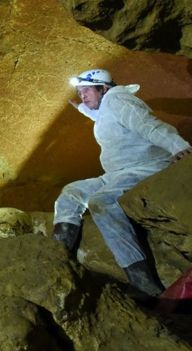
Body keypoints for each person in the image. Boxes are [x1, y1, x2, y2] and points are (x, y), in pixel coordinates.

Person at [53, 69, 192, 298]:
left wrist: (179, 147)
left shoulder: (118, 99)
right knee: (72, 192)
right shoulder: (107, 106)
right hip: (119, 173)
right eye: (79, 92)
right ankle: (58, 254)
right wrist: (82, 109)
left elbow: (147, 124)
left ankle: (142, 282)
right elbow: (105, 118)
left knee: (102, 201)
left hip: (146, 167)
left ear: (103, 88)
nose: (82, 95)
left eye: (86, 90)